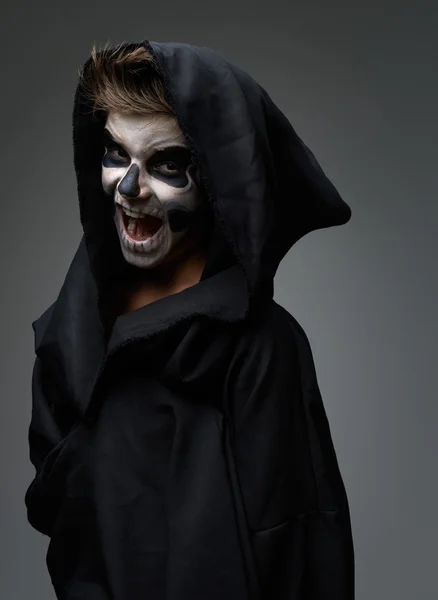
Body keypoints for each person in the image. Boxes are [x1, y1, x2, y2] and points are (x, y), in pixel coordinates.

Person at [24, 40, 355, 599]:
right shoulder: (75, 324)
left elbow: (302, 548)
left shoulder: (264, 350)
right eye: (115, 154)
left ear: (220, 182)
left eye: (167, 164)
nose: (129, 190)